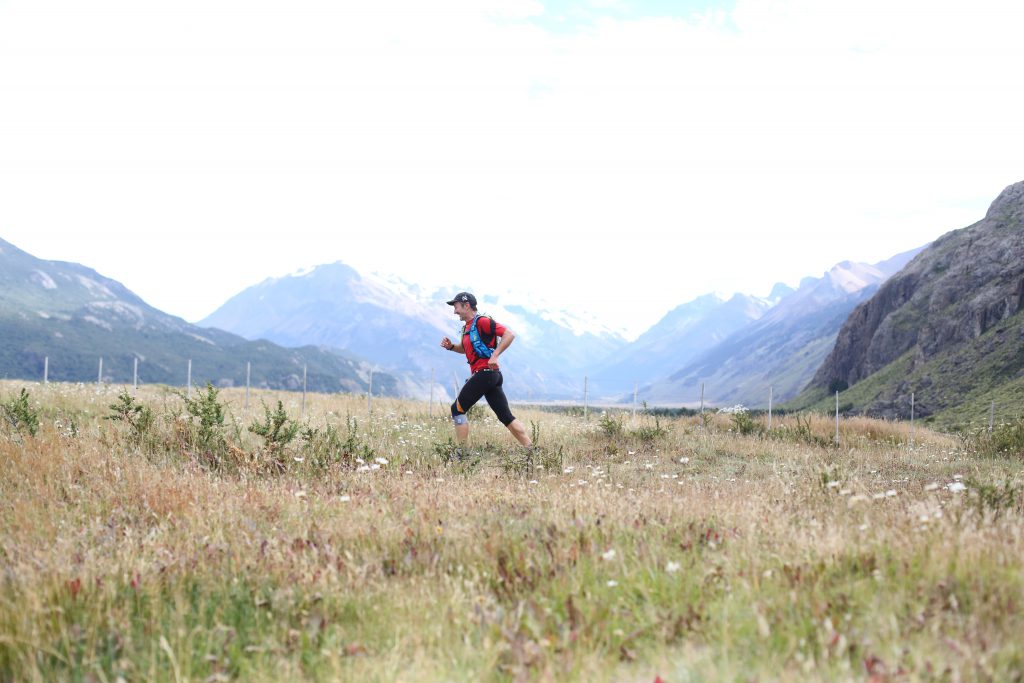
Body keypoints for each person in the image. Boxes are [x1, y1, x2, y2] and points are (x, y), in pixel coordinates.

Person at [440, 292, 533, 450]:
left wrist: (495, 355)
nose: (454, 311)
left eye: (456, 307)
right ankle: (532, 449)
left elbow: (509, 334)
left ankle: (462, 453)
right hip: (491, 375)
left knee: (457, 409)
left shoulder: (482, 321)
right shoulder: (467, 328)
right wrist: (451, 347)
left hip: (485, 374)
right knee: (506, 417)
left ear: (466, 305)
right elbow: (465, 349)